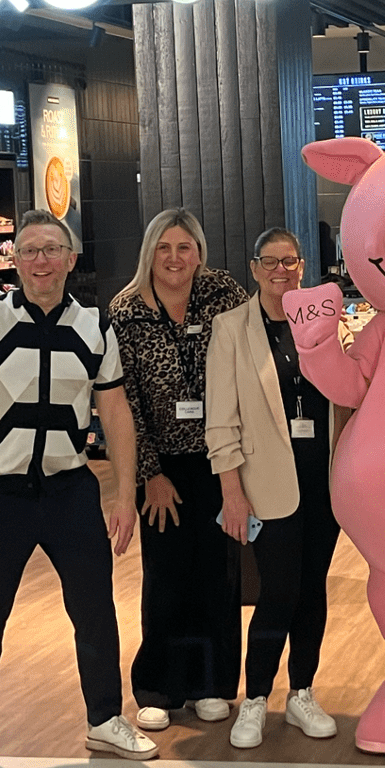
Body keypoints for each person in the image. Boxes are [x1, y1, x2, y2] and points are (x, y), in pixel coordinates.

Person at [0, 209, 156, 768]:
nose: (40, 261)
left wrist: (124, 492)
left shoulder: (96, 327)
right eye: (28, 251)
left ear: (70, 259)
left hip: (69, 490)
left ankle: (104, 719)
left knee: (95, 610)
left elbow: (116, 412)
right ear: (15, 260)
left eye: (51, 250)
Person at [205, 228, 346, 750]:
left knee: (313, 591)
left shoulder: (325, 323)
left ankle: (302, 693)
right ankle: (257, 697)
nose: (281, 270)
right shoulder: (231, 329)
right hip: (265, 485)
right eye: (271, 262)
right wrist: (231, 493)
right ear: (254, 267)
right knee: (278, 591)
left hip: (322, 484)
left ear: (303, 266)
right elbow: (220, 421)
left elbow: (346, 393)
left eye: (290, 261)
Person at [109, 208, 249, 733]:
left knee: (218, 573)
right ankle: (158, 687)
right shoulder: (126, 311)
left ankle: (213, 684)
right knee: (166, 575)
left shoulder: (224, 294)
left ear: (199, 252)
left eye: (184, 248)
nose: (174, 258)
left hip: (221, 460)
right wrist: (149, 473)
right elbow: (124, 401)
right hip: (161, 466)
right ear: (150, 251)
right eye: (164, 248)